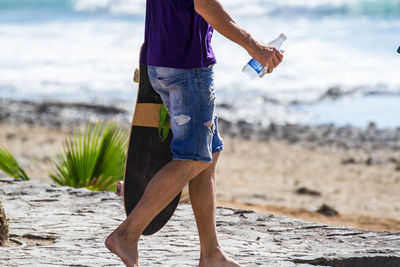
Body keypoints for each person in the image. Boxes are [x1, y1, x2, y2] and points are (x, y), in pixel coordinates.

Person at [105, 0, 283, 266]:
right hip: (187, 68)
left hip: (162, 60)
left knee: (208, 155)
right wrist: (254, 46)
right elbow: (205, 6)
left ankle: (211, 254)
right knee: (194, 158)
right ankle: (126, 235)